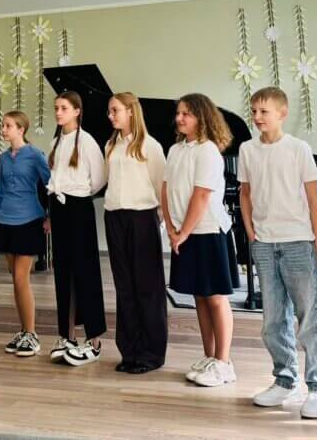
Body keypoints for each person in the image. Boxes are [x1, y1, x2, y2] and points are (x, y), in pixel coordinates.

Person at [239, 86, 317, 418]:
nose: (257, 116)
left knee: (310, 319)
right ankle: (284, 379)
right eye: (254, 111)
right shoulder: (247, 150)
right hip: (265, 244)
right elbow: (245, 194)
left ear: (282, 113)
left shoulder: (298, 149)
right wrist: (252, 234)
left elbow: (313, 200)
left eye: (264, 111)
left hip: (298, 243)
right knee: (273, 321)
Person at [161, 93, 236, 388]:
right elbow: (165, 189)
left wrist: (183, 232)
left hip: (207, 231)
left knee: (215, 297)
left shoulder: (207, 151)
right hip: (185, 231)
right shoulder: (175, 149)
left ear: (202, 117)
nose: (179, 118)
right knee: (199, 296)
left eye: (187, 114)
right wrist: (171, 227)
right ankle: (209, 356)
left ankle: (224, 363)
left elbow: (202, 195)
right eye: (178, 113)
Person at [103, 91, 168, 374]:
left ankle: (151, 354)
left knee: (147, 288)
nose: (110, 115)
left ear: (131, 111)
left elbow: (161, 186)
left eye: (115, 110)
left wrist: (161, 221)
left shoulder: (150, 146)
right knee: (124, 287)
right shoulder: (111, 145)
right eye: (109, 111)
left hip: (142, 218)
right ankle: (129, 351)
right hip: (114, 217)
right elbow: (104, 180)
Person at [46, 90, 108, 367]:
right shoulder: (56, 142)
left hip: (79, 207)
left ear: (77, 111)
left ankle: (94, 340)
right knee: (63, 272)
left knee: (86, 272)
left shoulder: (88, 141)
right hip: (59, 209)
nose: (58, 112)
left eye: (63, 108)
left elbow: (99, 179)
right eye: (56, 108)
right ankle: (67, 336)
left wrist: (79, 196)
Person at [0, 110, 50, 357]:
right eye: (3, 126)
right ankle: (24, 331)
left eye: (8, 126)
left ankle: (32, 334)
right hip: (5, 220)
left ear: (21, 129)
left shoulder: (35, 155)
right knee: (14, 281)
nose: (3, 130)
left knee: (20, 278)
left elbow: (50, 185)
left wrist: (50, 216)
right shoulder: (4, 158)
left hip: (29, 220)